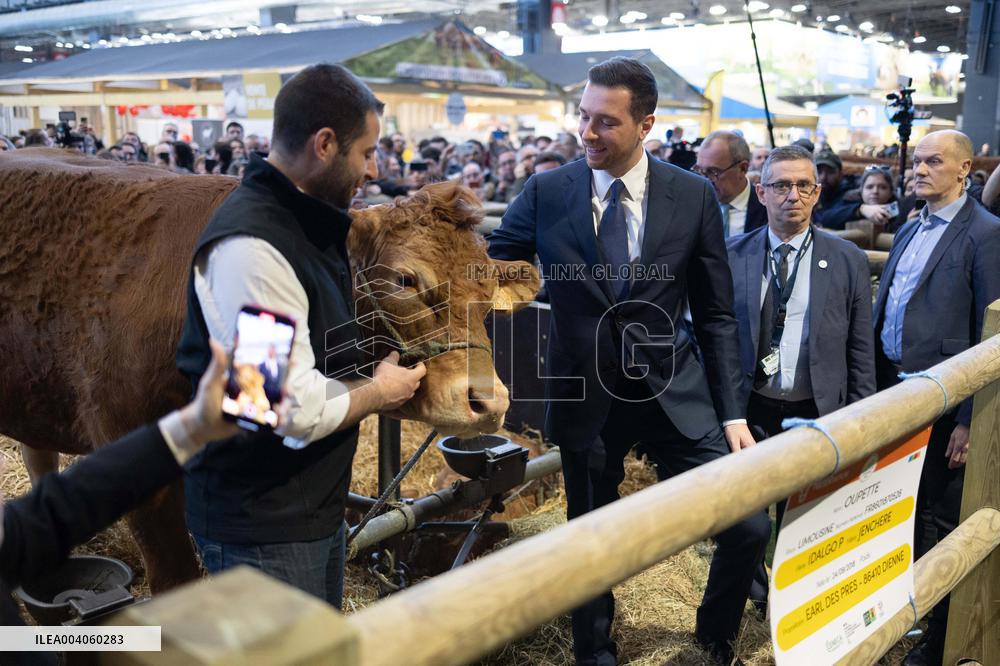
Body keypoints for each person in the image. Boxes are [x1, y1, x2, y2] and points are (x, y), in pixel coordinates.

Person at [488, 56, 769, 666]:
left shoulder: (693, 195)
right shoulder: (544, 191)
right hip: (584, 393)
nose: (586, 133)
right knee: (591, 537)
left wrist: (732, 414)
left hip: (674, 387)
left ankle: (715, 639)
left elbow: (717, 314)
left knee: (748, 526)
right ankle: (595, 652)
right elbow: (492, 267)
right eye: (583, 117)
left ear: (646, 124)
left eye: (605, 122)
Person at [175, 63, 426, 609]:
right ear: (325, 144)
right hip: (263, 521)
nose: (373, 168)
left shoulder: (303, 225)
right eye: (365, 152)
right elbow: (277, 407)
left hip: (301, 506)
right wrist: (380, 393)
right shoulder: (254, 250)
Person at [726, 145, 876, 608]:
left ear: (816, 194)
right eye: (781, 185)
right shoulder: (733, 256)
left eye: (803, 186)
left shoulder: (848, 258)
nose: (793, 195)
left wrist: (863, 420)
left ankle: (799, 608)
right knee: (746, 523)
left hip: (817, 413)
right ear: (761, 193)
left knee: (809, 522)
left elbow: (859, 348)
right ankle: (753, 601)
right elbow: (717, 341)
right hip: (751, 413)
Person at [873, 130, 1000, 666]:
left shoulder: (987, 233)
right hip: (893, 393)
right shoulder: (910, 224)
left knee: (940, 517)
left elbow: (990, 332)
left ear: (965, 168)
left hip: (949, 402)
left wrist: (973, 418)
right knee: (902, 509)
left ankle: (940, 632)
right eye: (917, 161)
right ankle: (907, 613)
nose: (919, 170)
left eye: (934, 162)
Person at [694, 130, 767, 237]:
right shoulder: (691, 205)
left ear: (743, 168)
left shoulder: (767, 208)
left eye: (713, 172)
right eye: (699, 170)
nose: (704, 180)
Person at [811, 150, 859, 229]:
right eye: (819, 172)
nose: (823, 177)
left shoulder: (850, 196)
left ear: (840, 174)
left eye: (830, 172)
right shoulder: (811, 194)